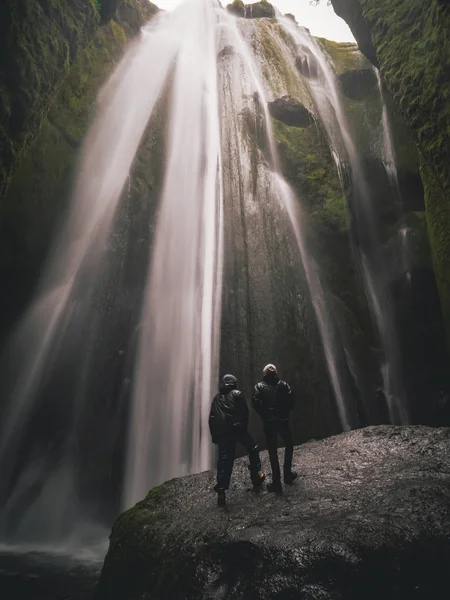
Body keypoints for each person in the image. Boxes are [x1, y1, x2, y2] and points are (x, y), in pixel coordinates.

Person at [209, 374, 265, 506]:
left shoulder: (217, 398)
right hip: (237, 430)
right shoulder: (237, 394)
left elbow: (212, 417)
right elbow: (245, 412)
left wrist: (216, 435)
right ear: (234, 383)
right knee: (253, 448)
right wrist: (242, 426)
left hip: (224, 434)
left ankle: (221, 488)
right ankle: (256, 477)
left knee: (224, 458)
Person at [252, 364, 296, 494]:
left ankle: (277, 482)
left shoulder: (259, 387)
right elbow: (291, 400)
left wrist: (265, 415)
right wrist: (284, 413)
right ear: (276, 373)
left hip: (269, 423)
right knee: (289, 444)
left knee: (272, 451)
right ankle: (287, 474)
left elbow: (255, 403)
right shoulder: (283, 385)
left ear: (264, 374)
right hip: (282, 421)